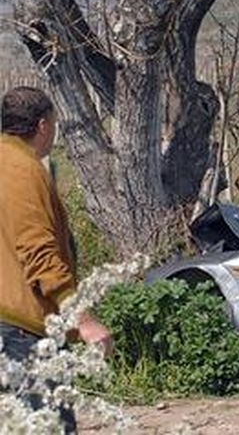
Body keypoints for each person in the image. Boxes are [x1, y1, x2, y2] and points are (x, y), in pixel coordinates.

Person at [0, 87, 114, 433]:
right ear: (43, 125)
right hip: (21, 330)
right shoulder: (22, 169)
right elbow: (38, 251)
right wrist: (82, 317)